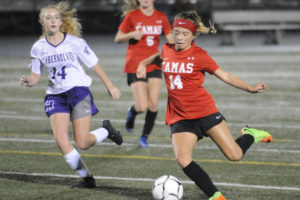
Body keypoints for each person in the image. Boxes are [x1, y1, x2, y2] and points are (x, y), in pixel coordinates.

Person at [137, 11, 273, 200]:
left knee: (235, 155)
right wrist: (143, 63)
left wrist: (249, 88)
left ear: (193, 36)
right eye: (176, 32)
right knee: (182, 158)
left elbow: (225, 75)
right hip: (180, 117)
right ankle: (215, 195)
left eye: (185, 34)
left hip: (205, 112)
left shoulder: (199, 56)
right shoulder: (166, 50)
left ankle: (250, 134)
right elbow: (157, 57)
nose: (180, 37)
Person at [19, 2, 123, 188]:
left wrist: (109, 84)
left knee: (83, 142)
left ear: (60, 22)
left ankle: (106, 130)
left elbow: (94, 64)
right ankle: (87, 179)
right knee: (61, 141)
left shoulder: (75, 42)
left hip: (78, 92)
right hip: (55, 96)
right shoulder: (38, 48)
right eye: (48, 18)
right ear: (41, 22)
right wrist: (29, 81)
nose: (52, 21)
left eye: (55, 17)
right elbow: (36, 75)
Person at [115, 0, 174, 147]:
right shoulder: (132, 16)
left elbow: (171, 39)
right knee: (142, 106)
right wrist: (132, 34)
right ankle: (132, 113)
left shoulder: (161, 17)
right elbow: (118, 38)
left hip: (154, 63)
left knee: (153, 104)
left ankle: (144, 137)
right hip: (135, 64)